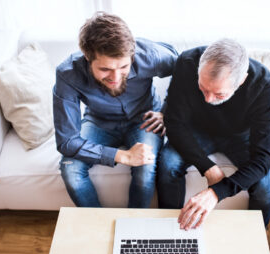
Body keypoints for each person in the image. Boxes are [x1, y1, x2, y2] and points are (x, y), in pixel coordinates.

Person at [53, 12, 178, 208]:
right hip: (98, 121)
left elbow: (184, 67)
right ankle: (99, 226)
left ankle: (133, 228)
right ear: (87, 57)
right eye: (105, 69)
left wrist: (166, 111)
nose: (116, 77)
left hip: (144, 118)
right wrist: (122, 156)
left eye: (123, 67)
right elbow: (67, 141)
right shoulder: (67, 74)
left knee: (145, 170)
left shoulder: (149, 54)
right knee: (71, 171)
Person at [157, 38, 270, 231]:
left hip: (241, 136)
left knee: (267, 189)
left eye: (219, 94)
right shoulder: (187, 63)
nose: (208, 99)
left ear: (241, 81)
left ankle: (254, 236)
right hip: (195, 129)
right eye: (202, 88)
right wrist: (208, 168)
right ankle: (170, 230)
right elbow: (174, 123)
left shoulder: (265, 87)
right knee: (168, 164)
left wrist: (216, 192)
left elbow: (262, 159)